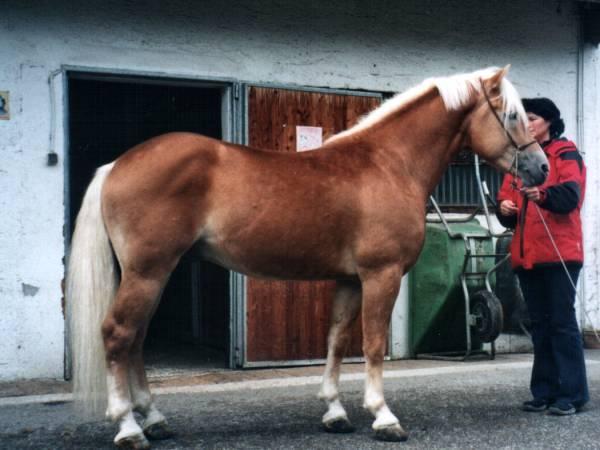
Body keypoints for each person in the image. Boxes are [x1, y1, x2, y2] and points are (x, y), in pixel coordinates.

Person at [496, 97, 588, 415]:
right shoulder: (520, 159)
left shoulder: (566, 152)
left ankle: (572, 395)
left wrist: (544, 194)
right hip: (527, 257)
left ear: (548, 121)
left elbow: (572, 194)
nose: (527, 124)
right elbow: (506, 202)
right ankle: (545, 392)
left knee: (562, 324)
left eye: (531, 118)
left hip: (560, 253)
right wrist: (504, 209)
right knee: (541, 326)